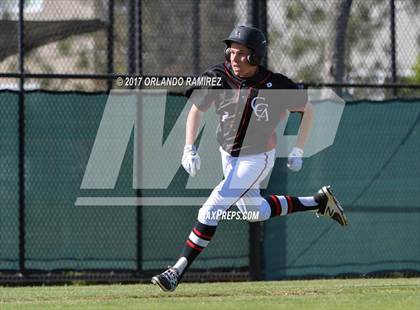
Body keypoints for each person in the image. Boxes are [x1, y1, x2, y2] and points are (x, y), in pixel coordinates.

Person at [152, 25, 348, 292]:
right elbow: (197, 109)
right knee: (254, 211)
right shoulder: (218, 76)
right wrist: (189, 147)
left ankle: (176, 271)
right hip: (228, 155)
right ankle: (318, 202)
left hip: (257, 158)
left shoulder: (275, 84)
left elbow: (308, 110)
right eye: (231, 51)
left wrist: (298, 149)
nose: (234, 57)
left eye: (242, 53)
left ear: (256, 56)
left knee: (211, 208)